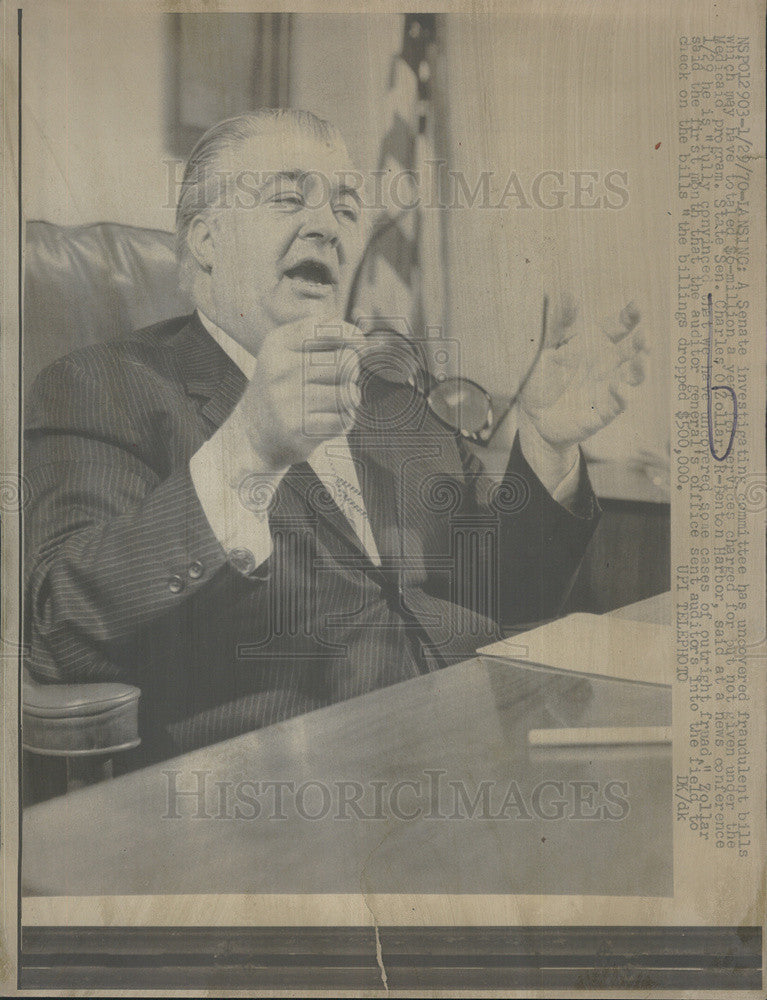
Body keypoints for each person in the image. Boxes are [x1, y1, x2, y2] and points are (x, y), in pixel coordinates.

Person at [24, 109, 646, 763]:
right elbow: (58, 626)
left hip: (471, 753)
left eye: (346, 209)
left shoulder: (388, 399)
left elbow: (500, 595)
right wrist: (249, 449)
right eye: (288, 197)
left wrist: (545, 443)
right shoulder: (104, 387)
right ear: (206, 238)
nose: (326, 225)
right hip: (277, 800)